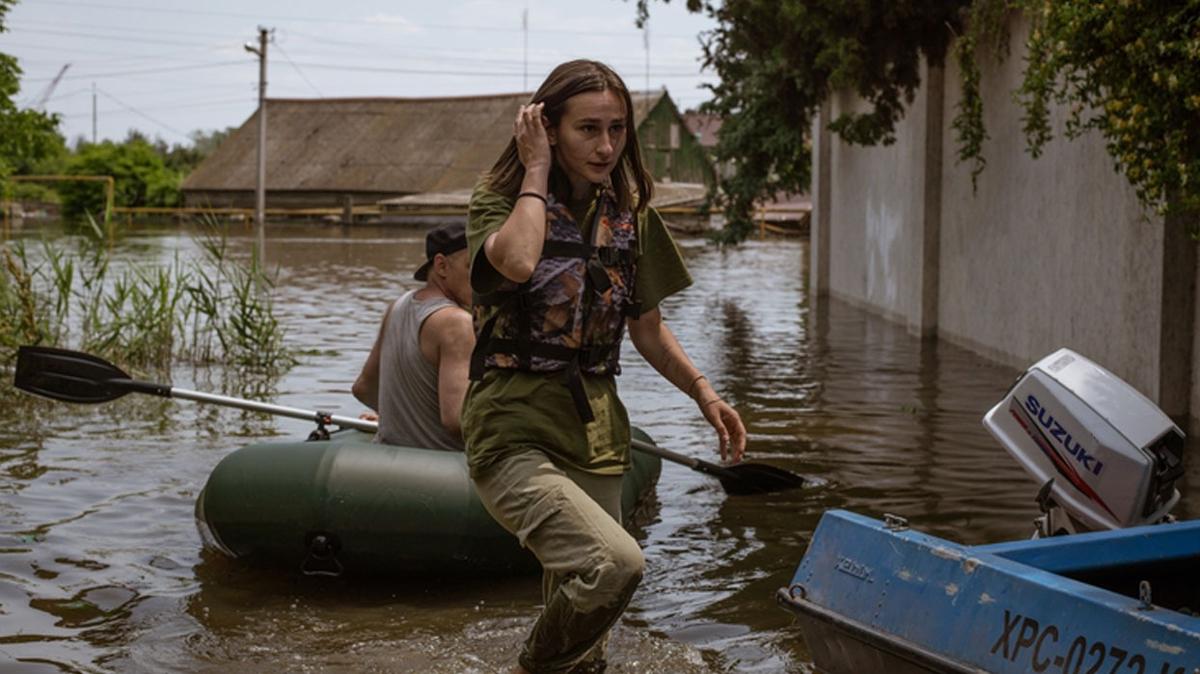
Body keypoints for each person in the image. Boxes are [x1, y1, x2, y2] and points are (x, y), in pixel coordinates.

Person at [464, 60, 746, 674]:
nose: (606, 146)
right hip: (511, 432)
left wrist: (704, 393)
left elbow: (647, 327)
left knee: (589, 642)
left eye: (617, 130)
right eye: (588, 129)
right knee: (617, 564)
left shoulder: (631, 215)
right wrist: (535, 170)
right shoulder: (499, 202)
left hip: (594, 436)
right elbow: (514, 263)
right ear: (546, 128)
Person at [353, 222, 474, 451]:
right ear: (441, 266)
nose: (482, 279)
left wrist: (399, 417)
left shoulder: (398, 305)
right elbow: (456, 419)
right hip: (440, 467)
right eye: (472, 267)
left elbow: (364, 388)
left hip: (392, 457)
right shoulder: (457, 323)